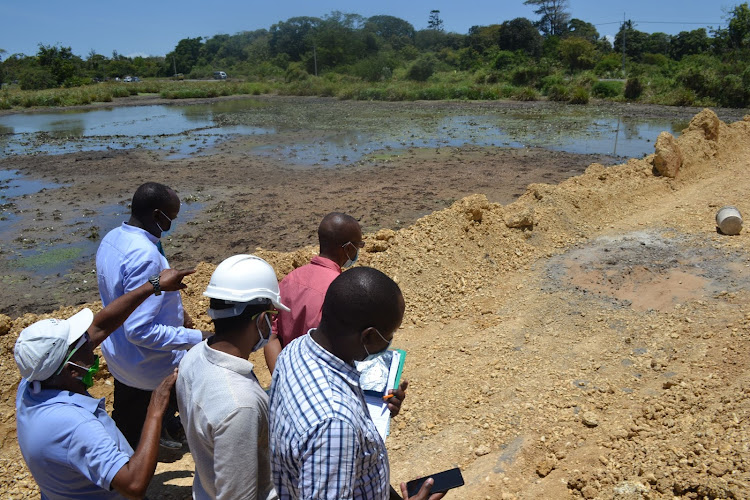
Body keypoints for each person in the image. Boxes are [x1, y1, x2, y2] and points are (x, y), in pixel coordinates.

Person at [14, 268, 194, 500]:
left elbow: (100, 326)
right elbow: (134, 484)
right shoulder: (75, 425)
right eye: (81, 343)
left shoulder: (31, 384)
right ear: (71, 369)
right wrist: (156, 407)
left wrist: (154, 285)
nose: (89, 340)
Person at [269, 267, 444, 500]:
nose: (390, 342)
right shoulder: (334, 426)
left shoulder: (295, 350)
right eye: (389, 334)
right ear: (369, 336)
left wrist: (374, 411)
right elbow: (333, 427)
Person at [96, 182, 206, 448]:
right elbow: (140, 330)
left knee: (126, 421)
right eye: (173, 217)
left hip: (121, 359)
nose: (173, 222)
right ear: (158, 215)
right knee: (136, 440)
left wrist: (179, 312)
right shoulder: (146, 255)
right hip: (148, 367)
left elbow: (125, 298)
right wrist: (197, 337)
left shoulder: (112, 238)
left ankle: (164, 427)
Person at [177, 255, 287, 500]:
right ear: (261, 320)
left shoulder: (193, 357)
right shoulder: (240, 404)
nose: (272, 322)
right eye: (272, 315)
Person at [264, 212, 364, 374]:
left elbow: (271, 338)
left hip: (289, 375)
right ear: (348, 248)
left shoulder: (289, 279)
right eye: (359, 245)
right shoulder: (341, 291)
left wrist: (281, 379)